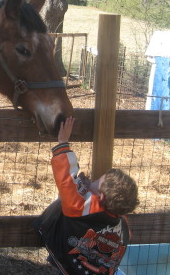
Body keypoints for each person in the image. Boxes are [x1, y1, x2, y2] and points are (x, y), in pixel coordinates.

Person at [35, 116, 139, 275]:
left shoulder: (80, 207)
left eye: (97, 181)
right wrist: (86, 188)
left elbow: (66, 179)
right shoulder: (121, 222)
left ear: (102, 197)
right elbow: (126, 234)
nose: (93, 180)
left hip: (67, 267)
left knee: (64, 205)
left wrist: (62, 142)